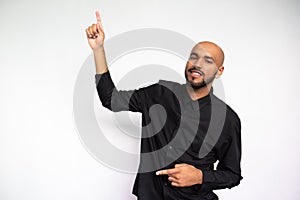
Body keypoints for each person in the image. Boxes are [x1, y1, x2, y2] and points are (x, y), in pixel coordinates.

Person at [85, 11, 242, 200]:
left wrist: (200, 176)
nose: (197, 64)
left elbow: (232, 175)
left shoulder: (227, 119)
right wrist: (98, 50)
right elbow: (110, 99)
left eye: (208, 61)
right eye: (194, 57)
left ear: (219, 71)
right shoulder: (158, 93)